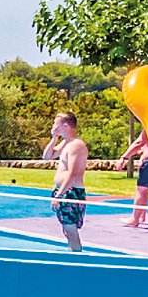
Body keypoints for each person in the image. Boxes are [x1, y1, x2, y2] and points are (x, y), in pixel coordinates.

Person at [44, 108, 90, 252]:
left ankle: (76, 257)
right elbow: (47, 156)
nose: (53, 127)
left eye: (55, 124)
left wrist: (59, 195)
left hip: (70, 192)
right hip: (63, 190)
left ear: (65, 126)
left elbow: (73, 173)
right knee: (66, 230)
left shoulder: (76, 145)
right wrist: (53, 139)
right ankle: (74, 253)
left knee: (70, 230)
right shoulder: (66, 144)